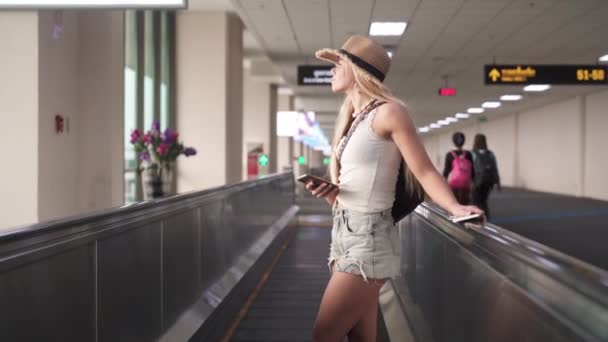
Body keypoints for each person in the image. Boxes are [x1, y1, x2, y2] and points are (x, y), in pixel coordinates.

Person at [304, 35, 484, 342]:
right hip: (343, 234)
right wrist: (331, 193)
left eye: (338, 63)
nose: (332, 71)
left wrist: (455, 207)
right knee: (359, 336)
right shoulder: (352, 119)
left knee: (324, 334)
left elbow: (424, 171)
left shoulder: (389, 113)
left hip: (369, 240)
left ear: (358, 70)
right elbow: (359, 184)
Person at [472, 133, 501, 219]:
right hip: (488, 181)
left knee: (476, 201)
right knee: (484, 201)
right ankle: (486, 218)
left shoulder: (472, 153)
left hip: (476, 181)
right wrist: (498, 182)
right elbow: (495, 168)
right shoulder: (490, 154)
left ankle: (477, 218)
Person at [443, 132, 474, 205]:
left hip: (454, 183)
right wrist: (473, 182)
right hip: (466, 183)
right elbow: (472, 170)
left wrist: (444, 182)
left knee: (454, 203)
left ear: (453, 141)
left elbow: (446, 170)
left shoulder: (450, 154)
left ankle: (454, 215)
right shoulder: (468, 154)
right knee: (465, 203)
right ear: (464, 141)